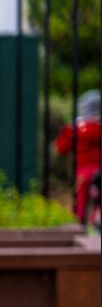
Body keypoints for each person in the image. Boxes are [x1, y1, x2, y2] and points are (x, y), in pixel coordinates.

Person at [54, 89, 101, 222]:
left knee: (81, 204)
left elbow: (61, 148)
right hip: (99, 168)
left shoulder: (74, 129)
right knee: (98, 204)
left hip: (82, 171)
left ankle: (80, 226)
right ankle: (96, 225)